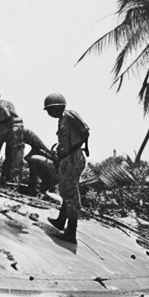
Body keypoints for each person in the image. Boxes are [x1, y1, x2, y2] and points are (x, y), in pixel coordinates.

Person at [42, 93, 90, 245]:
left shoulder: (68, 115)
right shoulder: (63, 118)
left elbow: (85, 130)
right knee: (66, 190)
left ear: (56, 107)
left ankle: (71, 232)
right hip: (68, 157)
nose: (49, 114)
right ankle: (61, 221)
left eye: (50, 110)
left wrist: (74, 147)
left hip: (72, 157)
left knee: (70, 194)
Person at [23, 127, 58, 196]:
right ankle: (35, 188)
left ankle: (34, 189)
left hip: (56, 174)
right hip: (53, 173)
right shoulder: (39, 149)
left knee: (33, 159)